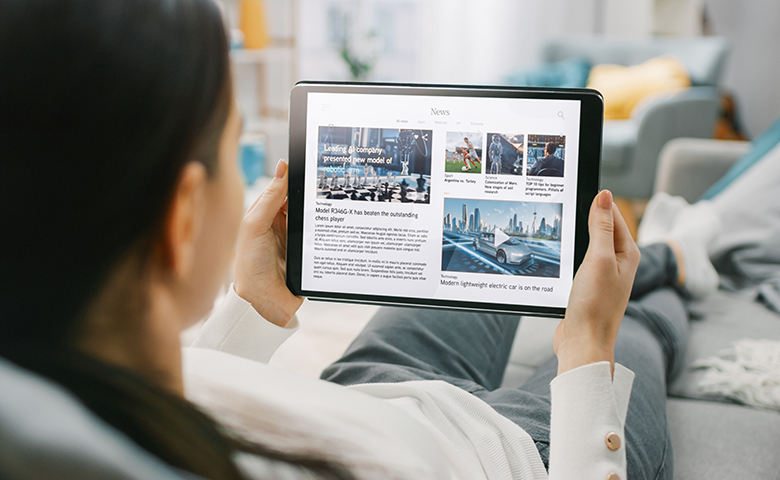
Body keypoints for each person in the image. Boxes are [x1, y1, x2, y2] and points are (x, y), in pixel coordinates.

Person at [0, 1, 720, 479]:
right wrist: (588, 346)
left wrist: (254, 307)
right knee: (635, 330)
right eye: (230, 147)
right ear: (183, 218)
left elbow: (185, 399)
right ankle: (680, 263)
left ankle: (658, 253)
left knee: (484, 264)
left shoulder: (67, 369)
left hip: (362, 394)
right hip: (525, 452)